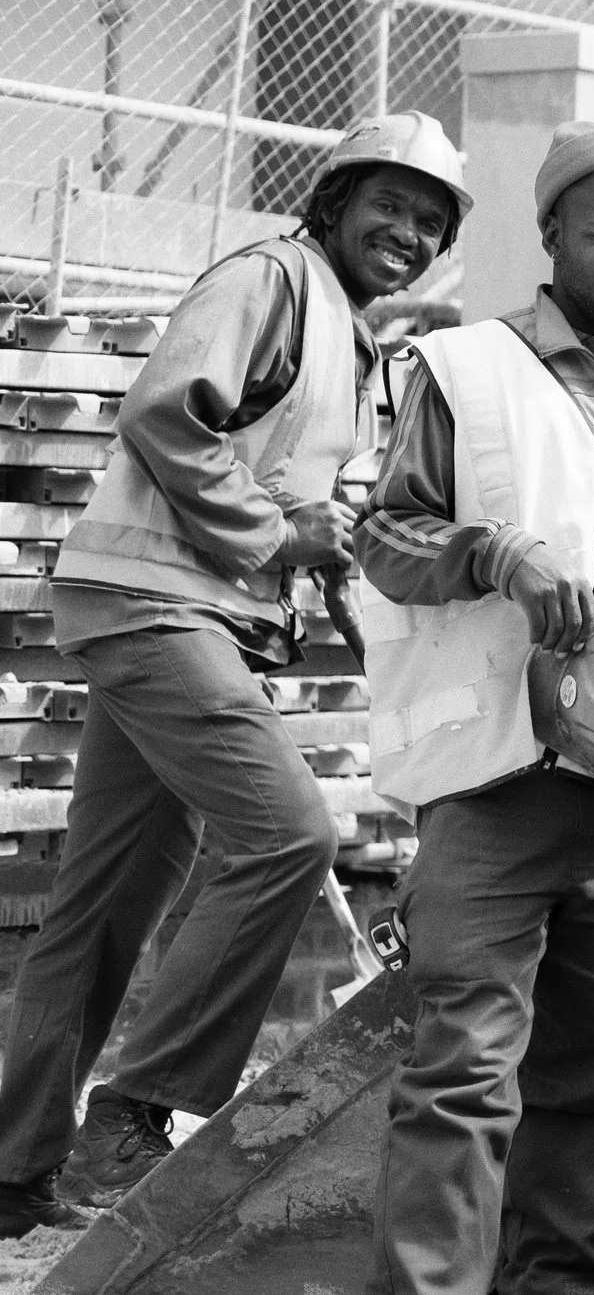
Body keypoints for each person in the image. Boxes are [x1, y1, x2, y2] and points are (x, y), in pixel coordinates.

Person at [0, 114, 464, 1237]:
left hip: (185, 610)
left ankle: (13, 1167)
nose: (405, 232)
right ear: (336, 200)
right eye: (387, 205)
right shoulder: (271, 279)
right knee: (290, 831)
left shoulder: (349, 340)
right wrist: (272, 531)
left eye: (428, 218)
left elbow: (316, 526)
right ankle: (141, 1105)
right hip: (155, 603)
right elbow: (168, 410)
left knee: (108, 899)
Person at [355, 113, 594, 1295]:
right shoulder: (467, 368)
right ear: (552, 232)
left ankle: (555, 1279)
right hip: (494, 780)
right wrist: (496, 549)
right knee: (461, 1066)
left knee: (593, 1073)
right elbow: (385, 538)